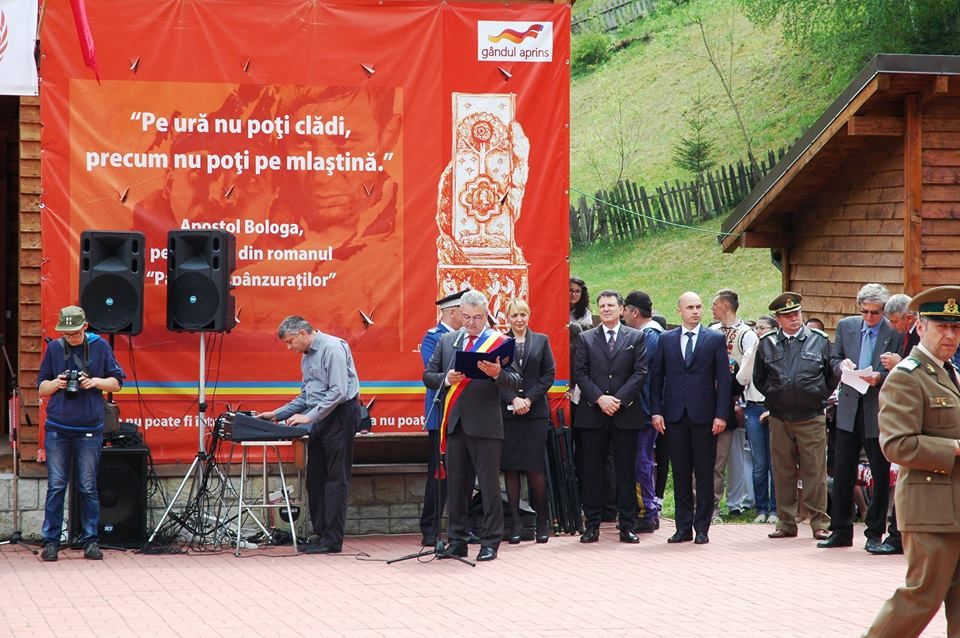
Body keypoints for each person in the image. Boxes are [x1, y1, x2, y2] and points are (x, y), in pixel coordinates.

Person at [863, 286, 960, 638]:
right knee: (921, 597)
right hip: (929, 509)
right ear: (920, 327)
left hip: (955, 507)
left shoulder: (950, 373)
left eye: (956, 328)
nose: (950, 336)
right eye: (941, 326)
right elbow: (897, 445)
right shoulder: (907, 375)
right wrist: (955, 448)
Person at [423, 290, 521, 562]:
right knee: (456, 486)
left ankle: (490, 542)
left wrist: (498, 374)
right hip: (454, 423)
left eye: (477, 318)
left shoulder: (499, 342)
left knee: (489, 487)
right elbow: (428, 376)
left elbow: (515, 381)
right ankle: (457, 540)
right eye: (466, 317)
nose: (471, 323)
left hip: (486, 425)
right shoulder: (447, 341)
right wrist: (446, 379)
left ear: (486, 315)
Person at [257, 316, 361, 554]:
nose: (289, 347)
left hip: (340, 415)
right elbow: (306, 396)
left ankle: (332, 540)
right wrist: (277, 414)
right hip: (320, 417)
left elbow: (338, 391)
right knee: (315, 478)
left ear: (303, 333)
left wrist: (309, 417)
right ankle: (321, 534)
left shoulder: (332, 348)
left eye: (290, 342)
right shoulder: (306, 356)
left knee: (335, 479)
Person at [37, 306, 124, 562]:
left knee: (87, 486)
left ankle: (90, 541)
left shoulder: (100, 346)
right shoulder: (54, 348)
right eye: (66, 334)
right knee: (56, 486)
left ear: (85, 327)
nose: (71, 338)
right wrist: (57, 383)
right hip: (57, 427)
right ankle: (51, 542)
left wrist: (94, 381)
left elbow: (117, 383)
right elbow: (41, 388)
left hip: (89, 428)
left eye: (75, 333)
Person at [819, 283, 901, 553]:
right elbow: (834, 359)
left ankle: (874, 532)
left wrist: (881, 376)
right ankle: (840, 530)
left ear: (884, 310)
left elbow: (903, 370)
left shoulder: (894, 332)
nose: (869, 317)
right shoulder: (847, 326)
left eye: (875, 312)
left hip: (876, 408)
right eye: (864, 311)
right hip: (848, 407)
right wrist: (841, 366)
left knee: (879, 473)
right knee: (842, 470)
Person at [651, 291, 731, 545]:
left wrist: (721, 415)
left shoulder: (714, 339)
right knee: (681, 473)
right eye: (690, 307)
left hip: (704, 416)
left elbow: (724, 380)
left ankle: (702, 527)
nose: (695, 311)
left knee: (704, 473)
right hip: (675, 415)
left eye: (698, 307)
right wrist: (656, 411)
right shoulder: (666, 339)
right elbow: (656, 378)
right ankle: (683, 527)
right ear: (679, 311)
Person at [753, 292, 833, 541]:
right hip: (780, 417)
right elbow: (759, 378)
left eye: (797, 313)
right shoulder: (767, 343)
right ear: (778, 319)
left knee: (815, 472)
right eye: (788, 315)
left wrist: (815, 395)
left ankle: (819, 522)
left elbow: (830, 377)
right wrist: (776, 396)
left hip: (811, 415)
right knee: (783, 471)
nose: (794, 319)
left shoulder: (819, 340)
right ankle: (786, 522)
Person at [573, 290, 647, 544]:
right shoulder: (585, 338)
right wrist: (600, 399)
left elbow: (640, 372)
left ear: (621, 309)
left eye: (611, 305)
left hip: (625, 413)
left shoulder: (635, 337)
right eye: (602, 305)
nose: (606, 309)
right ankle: (592, 525)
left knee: (626, 471)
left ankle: (627, 525)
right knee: (592, 471)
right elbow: (580, 373)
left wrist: (618, 400)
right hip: (593, 413)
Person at [499, 299, 556, 544]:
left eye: (523, 315)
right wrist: (513, 398)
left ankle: (541, 523)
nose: (519, 319)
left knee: (535, 468)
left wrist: (529, 399)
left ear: (528, 315)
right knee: (511, 468)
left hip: (535, 413)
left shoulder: (541, 340)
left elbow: (548, 375)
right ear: (508, 318)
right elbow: (495, 377)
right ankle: (516, 523)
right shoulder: (500, 342)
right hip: (509, 414)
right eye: (514, 315)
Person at [418, 290, 465, 547]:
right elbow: (433, 371)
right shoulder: (433, 337)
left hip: (465, 413)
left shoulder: (469, 337)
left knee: (463, 473)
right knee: (439, 474)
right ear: (453, 312)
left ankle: (462, 527)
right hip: (441, 415)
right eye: (463, 313)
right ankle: (431, 528)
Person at [710, 288, 756, 520]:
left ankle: (737, 500)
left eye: (715, 304)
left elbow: (749, 367)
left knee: (737, 454)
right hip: (714, 398)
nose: (712, 309)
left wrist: (739, 397)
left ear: (725, 306)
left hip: (739, 398)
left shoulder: (746, 334)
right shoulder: (712, 330)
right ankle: (717, 501)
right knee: (720, 456)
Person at [622, 290, 663, 532]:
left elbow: (642, 375)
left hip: (644, 409)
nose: (623, 315)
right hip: (645, 408)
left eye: (625, 310)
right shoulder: (652, 334)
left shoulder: (649, 336)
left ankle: (646, 511)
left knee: (641, 462)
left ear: (634, 312)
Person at [736, 315, 779, 524]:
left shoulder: (779, 351)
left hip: (774, 408)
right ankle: (761, 508)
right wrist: (754, 353)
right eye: (757, 328)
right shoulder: (751, 351)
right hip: (753, 408)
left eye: (763, 328)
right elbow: (742, 379)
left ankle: (775, 509)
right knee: (759, 462)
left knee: (775, 462)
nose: (758, 332)